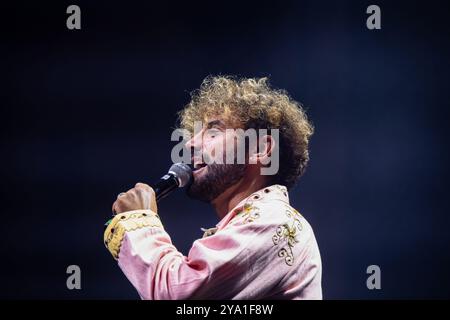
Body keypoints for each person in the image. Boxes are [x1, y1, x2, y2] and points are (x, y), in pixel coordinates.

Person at [104, 76, 322, 299]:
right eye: (195, 133)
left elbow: (176, 294)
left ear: (260, 148)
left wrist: (139, 223)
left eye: (213, 131)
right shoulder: (259, 223)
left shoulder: (275, 222)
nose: (190, 144)